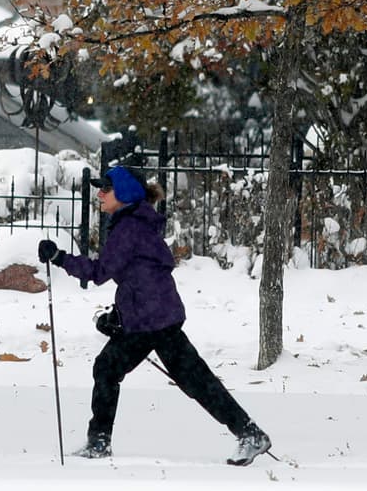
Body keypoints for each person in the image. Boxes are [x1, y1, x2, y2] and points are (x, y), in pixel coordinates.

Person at [38, 165, 272, 465]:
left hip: (152, 320)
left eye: (105, 188)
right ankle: (248, 433)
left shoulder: (129, 228)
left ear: (123, 193)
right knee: (144, 372)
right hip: (155, 315)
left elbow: (98, 272)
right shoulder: (135, 223)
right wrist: (119, 316)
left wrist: (59, 258)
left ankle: (99, 443)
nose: (99, 193)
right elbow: (140, 276)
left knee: (121, 371)